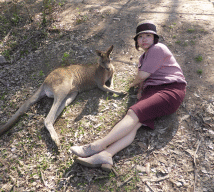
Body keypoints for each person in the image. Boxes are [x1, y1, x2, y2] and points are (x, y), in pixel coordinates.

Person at [70, 20, 187, 172]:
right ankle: (106, 155)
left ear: (154, 38)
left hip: (170, 90)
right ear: (137, 41)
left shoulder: (158, 48)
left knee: (133, 113)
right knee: (135, 124)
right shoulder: (143, 58)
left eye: (148, 36)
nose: (143, 39)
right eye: (140, 37)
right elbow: (144, 79)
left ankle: (97, 146)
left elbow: (142, 75)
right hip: (154, 91)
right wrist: (140, 90)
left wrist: (133, 84)